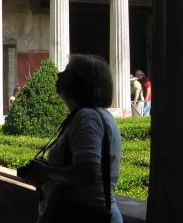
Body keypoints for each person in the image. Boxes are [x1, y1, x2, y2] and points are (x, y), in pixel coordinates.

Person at [18, 54, 122, 223]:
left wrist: (47, 172)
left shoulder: (88, 116)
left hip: (85, 215)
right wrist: (51, 167)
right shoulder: (92, 115)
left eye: (67, 71)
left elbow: (87, 172)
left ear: (82, 82)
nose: (58, 74)